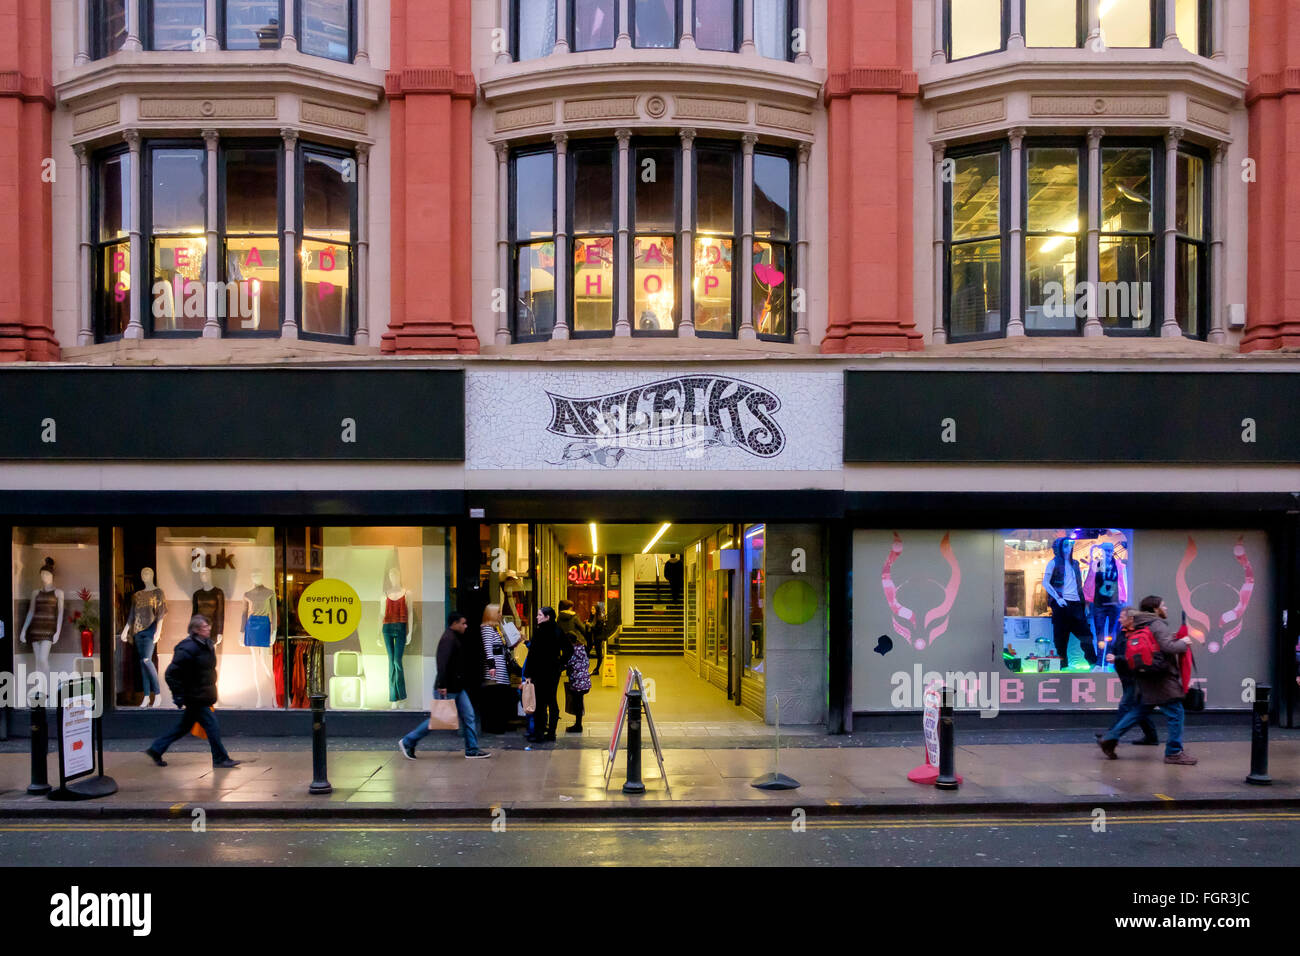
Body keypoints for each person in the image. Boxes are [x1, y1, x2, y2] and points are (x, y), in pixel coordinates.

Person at [1098, 595, 1196, 764]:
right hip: (1161, 675)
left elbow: (1153, 645)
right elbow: (1167, 648)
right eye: (1163, 606)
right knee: (1176, 712)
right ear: (1155, 608)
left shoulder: (1138, 624)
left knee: (1141, 710)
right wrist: (1184, 642)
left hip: (1145, 674)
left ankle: (1110, 737)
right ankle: (1173, 752)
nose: (1165, 609)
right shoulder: (1157, 624)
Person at [145, 615, 240, 769]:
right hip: (194, 696)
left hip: (202, 694)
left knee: (183, 727)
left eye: (208, 626)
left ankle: (156, 749)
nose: (208, 628)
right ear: (195, 630)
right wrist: (179, 694)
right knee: (212, 726)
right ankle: (220, 758)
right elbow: (172, 673)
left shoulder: (207, 645)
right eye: (204, 627)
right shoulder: (187, 648)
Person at [399, 611, 490, 759]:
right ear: (454, 624)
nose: (465, 626)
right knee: (438, 719)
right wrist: (442, 685)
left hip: (457, 687)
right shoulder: (448, 639)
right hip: (447, 687)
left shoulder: (454, 637)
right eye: (463, 623)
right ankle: (408, 741)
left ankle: (472, 750)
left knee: (469, 716)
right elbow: (442, 663)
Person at [1095, 606, 1158, 746]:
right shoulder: (1123, 632)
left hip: (1134, 676)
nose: (1119, 619)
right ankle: (1151, 737)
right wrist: (1112, 653)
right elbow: (1115, 645)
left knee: (1126, 705)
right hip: (1125, 675)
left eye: (1122, 617)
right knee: (1137, 708)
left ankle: (1111, 735)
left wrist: (1117, 658)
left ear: (1131, 619)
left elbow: (1135, 657)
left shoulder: (1137, 634)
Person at [525, 607, 567, 743]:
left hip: (539, 672)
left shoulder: (539, 631)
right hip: (553, 671)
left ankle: (539, 733)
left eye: (539, 615)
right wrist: (561, 664)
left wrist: (528, 674)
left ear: (547, 617)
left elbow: (533, 654)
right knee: (552, 701)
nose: (537, 617)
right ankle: (552, 733)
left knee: (540, 703)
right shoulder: (558, 630)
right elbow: (569, 649)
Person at [563, 627, 592, 734]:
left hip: (578, 683)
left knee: (578, 704)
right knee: (579, 703)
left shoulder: (572, 651)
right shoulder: (582, 648)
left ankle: (578, 726)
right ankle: (578, 724)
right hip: (585, 681)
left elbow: (566, 663)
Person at [587, 602, 607, 677]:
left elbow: (597, 630)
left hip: (598, 638)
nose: (591, 610)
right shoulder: (592, 617)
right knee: (586, 653)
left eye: (593, 609)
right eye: (591, 609)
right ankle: (586, 669)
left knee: (599, 654)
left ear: (597, 610)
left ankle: (597, 669)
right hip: (591, 638)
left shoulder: (599, 619)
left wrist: (589, 625)